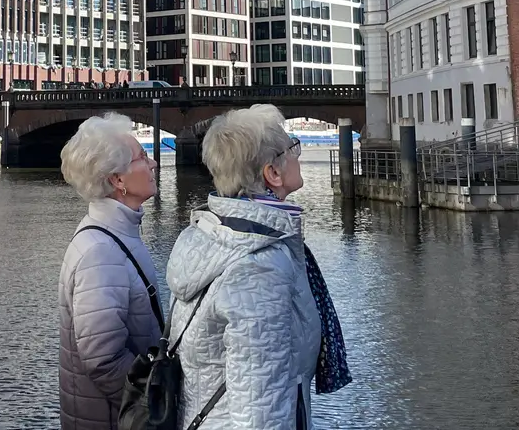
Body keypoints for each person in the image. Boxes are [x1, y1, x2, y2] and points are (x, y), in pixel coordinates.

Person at [164, 105, 351, 430]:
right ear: (272, 174)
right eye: (292, 147)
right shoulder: (260, 265)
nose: (298, 153)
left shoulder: (210, 233)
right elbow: (260, 407)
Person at [57, 113, 161, 430]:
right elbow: (104, 361)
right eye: (143, 157)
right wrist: (155, 404)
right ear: (118, 180)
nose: (154, 162)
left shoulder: (112, 234)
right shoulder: (100, 251)